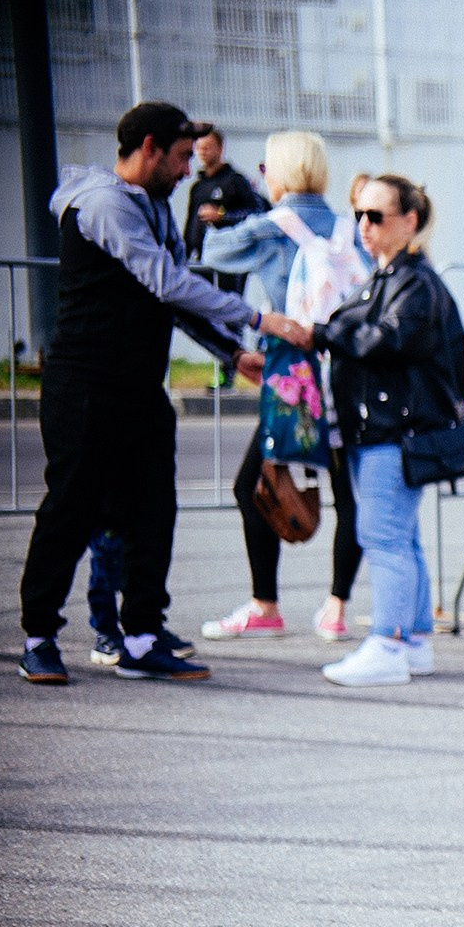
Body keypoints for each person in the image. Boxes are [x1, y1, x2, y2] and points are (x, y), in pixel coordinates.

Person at [17, 101, 300, 688]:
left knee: (153, 511)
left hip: (140, 388)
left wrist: (230, 352)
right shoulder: (102, 205)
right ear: (147, 147)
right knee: (72, 508)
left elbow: (167, 301)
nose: (184, 171)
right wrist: (257, 319)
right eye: (177, 158)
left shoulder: (154, 206)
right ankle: (39, 636)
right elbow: (166, 280)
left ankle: (142, 637)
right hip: (86, 384)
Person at [197, 129, 363, 646]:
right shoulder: (349, 228)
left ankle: (265, 603)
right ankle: (336, 608)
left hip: (295, 378)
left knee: (253, 484)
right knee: (348, 495)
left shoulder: (271, 228)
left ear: (278, 173)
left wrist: (239, 207)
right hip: (349, 376)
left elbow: (211, 251)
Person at [311, 174, 464, 688]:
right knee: (400, 538)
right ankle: (412, 639)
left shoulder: (414, 283)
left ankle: (389, 642)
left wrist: (321, 333)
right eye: (359, 214)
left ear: (410, 221)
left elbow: (384, 340)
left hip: (393, 431)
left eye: (376, 216)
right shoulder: (391, 277)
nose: (364, 225)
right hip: (390, 429)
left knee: (384, 538)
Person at [183, 123, 266, 296]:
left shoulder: (236, 181)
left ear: (220, 149)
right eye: (198, 148)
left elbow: (256, 213)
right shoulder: (198, 187)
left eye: (207, 147)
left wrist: (222, 216)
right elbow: (190, 224)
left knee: (229, 310)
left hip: (230, 263)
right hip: (202, 262)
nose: (202, 152)